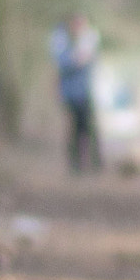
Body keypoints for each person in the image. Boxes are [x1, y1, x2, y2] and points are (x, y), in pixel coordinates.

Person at [48, 13, 101, 173]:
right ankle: (75, 164)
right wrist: (75, 60)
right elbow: (63, 64)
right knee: (73, 128)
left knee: (87, 128)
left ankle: (93, 163)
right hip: (70, 94)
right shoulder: (62, 41)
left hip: (84, 93)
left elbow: (89, 62)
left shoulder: (88, 40)